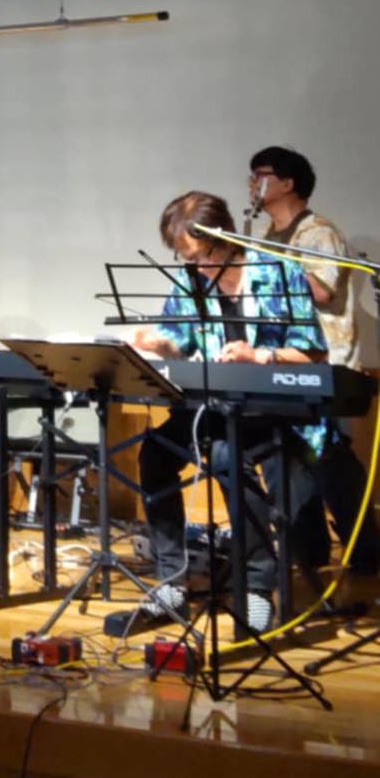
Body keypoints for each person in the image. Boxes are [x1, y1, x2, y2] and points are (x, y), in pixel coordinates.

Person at [112, 190, 326, 636]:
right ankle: (171, 581)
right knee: (155, 454)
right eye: (186, 258)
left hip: (271, 409)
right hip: (210, 405)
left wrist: (261, 356)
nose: (196, 267)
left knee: (229, 456)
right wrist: (158, 343)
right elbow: (179, 341)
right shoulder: (191, 279)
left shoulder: (279, 274)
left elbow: (314, 354)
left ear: (224, 236)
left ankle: (257, 586)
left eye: (202, 255)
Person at [248, 145, 380, 576]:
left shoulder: (319, 232)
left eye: (262, 174)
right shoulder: (264, 235)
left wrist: (270, 269)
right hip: (281, 360)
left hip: (324, 364)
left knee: (329, 459)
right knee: (282, 457)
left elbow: (322, 290)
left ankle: (366, 551)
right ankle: (309, 552)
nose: (253, 182)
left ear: (288, 183)